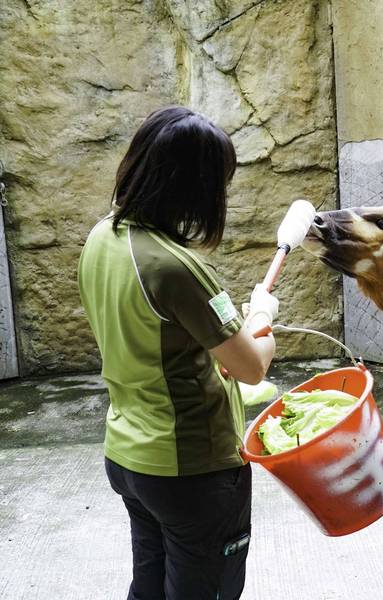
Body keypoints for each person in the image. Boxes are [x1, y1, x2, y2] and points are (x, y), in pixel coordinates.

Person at [77, 106, 278, 600]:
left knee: (148, 586)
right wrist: (261, 318)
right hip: (192, 470)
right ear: (195, 188)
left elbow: (152, 336)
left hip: (129, 459)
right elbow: (250, 367)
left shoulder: (101, 237)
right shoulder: (176, 267)